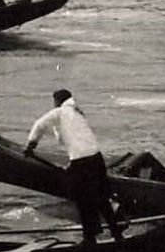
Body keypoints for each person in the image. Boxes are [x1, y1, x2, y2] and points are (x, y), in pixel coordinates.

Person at [25, 89, 123, 243]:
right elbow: (70, 138)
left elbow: (39, 125)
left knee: (83, 199)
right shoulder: (78, 113)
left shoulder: (59, 112)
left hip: (81, 161)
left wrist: (31, 145)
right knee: (102, 198)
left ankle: (90, 238)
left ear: (58, 101)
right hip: (97, 159)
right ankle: (117, 234)